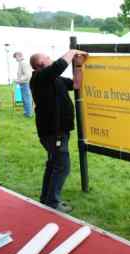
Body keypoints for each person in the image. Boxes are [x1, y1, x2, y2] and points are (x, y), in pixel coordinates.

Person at [29, 49, 87, 213]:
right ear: (41, 64)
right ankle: (52, 203)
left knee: (53, 164)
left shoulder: (55, 78)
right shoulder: (39, 78)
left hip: (59, 131)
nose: (50, 58)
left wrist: (78, 66)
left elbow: (76, 84)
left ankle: (46, 199)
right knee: (62, 166)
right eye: (47, 57)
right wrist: (72, 51)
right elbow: (59, 65)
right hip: (53, 132)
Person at [13, 52, 33, 117]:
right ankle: (27, 112)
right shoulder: (21, 63)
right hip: (23, 83)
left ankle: (28, 114)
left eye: (16, 57)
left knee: (27, 98)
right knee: (25, 99)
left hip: (25, 83)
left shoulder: (23, 63)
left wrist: (18, 80)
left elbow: (27, 75)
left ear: (20, 56)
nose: (15, 59)